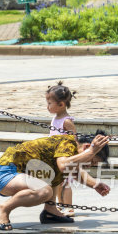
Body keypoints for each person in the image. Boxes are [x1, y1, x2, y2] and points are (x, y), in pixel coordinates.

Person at [0, 130, 111, 230]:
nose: (90, 166)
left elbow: (74, 171)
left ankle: (50, 211)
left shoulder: (72, 151)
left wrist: (95, 184)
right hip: (6, 173)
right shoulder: (67, 143)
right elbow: (63, 165)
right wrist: (91, 152)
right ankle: (4, 209)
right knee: (44, 191)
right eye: (92, 161)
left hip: (20, 174)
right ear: (86, 147)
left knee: (54, 175)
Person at [46, 82, 77, 216]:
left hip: (65, 157)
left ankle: (68, 206)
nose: (47, 106)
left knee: (66, 182)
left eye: (49, 103)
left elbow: (73, 140)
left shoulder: (66, 121)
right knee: (57, 182)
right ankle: (60, 205)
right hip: (55, 156)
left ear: (61, 105)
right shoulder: (55, 118)